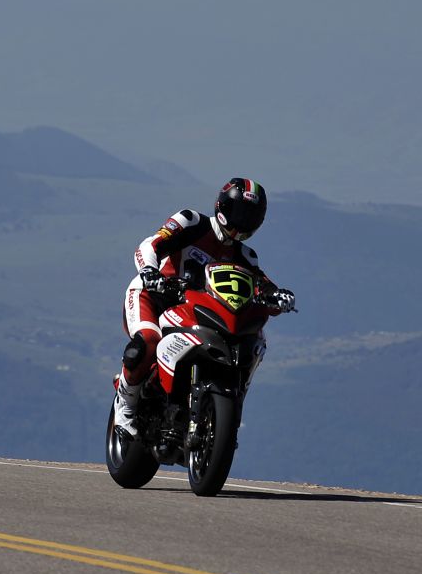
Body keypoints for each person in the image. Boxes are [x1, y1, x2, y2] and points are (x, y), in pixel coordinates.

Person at [114, 177, 293, 439]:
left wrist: (277, 296)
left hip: (195, 310)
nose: (242, 221)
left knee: (246, 339)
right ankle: (125, 409)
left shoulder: (245, 256)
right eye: (238, 212)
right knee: (148, 341)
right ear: (221, 206)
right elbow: (149, 245)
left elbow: (261, 284)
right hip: (153, 296)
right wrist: (150, 273)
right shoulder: (191, 222)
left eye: (250, 217)